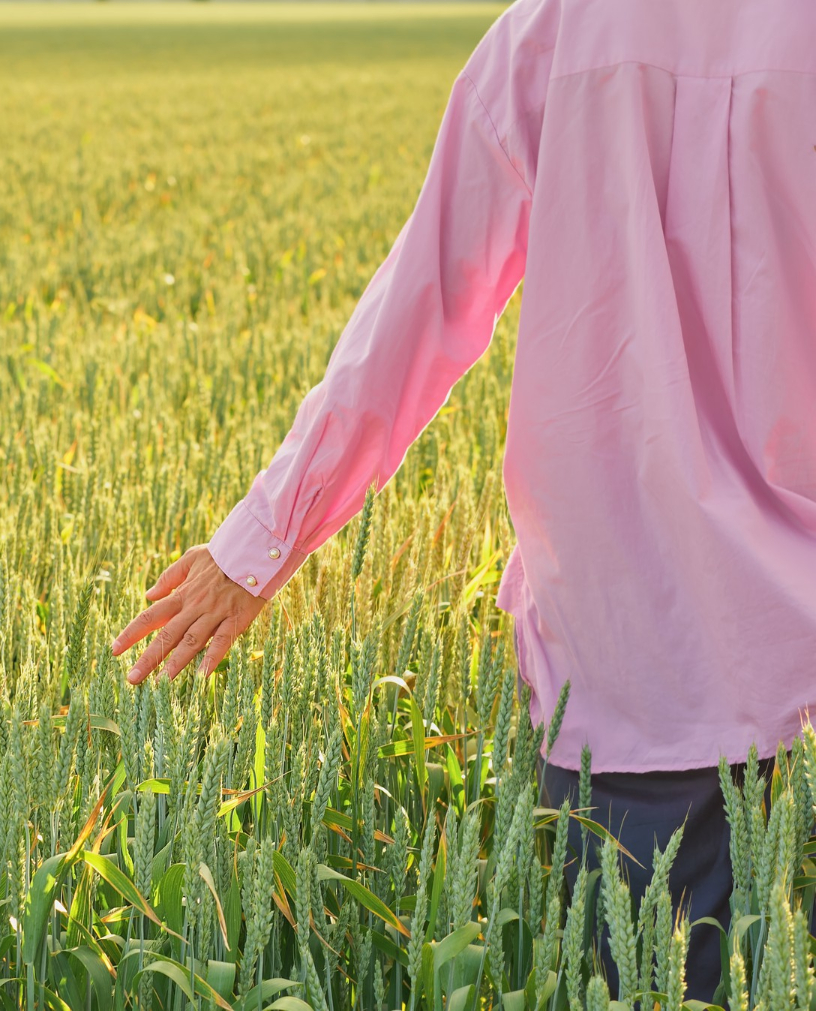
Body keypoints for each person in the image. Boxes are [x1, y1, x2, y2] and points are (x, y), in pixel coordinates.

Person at [111, 0, 816, 1000]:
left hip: (640, 639)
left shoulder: (557, 31)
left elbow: (423, 304)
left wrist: (264, 540)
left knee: (654, 984)